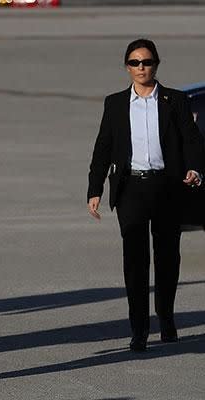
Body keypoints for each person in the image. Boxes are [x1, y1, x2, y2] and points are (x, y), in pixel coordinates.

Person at [87, 38, 204, 352]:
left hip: (167, 187)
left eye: (147, 62)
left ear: (156, 65)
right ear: (127, 67)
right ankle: (138, 329)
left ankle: (166, 318)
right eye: (136, 63)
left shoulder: (174, 100)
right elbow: (103, 149)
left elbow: (192, 140)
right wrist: (94, 189)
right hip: (131, 190)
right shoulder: (114, 103)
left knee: (167, 258)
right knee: (135, 261)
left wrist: (195, 169)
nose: (142, 68)